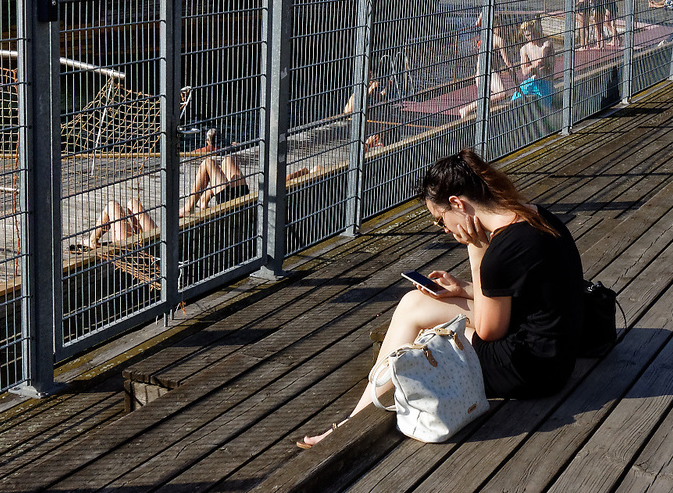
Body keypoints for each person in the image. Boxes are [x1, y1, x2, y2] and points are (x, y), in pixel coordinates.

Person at [298, 150, 583, 448]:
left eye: (440, 220)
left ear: (458, 203)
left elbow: (489, 332)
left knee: (418, 324)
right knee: (417, 308)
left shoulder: (498, 252)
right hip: (557, 354)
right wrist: (464, 289)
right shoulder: (534, 215)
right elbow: (527, 293)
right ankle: (362, 409)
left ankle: (350, 424)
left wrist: (476, 252)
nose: (445, 229)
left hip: (530, 370)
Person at [181, 153, 249, 215]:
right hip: (242, 198)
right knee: (228, 160)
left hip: (229, 205)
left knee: (207, 163)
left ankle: (189, 207)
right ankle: (203, 200)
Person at [81, 198, 158, 250]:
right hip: (156, 243)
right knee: (133, 203)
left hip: (130, 250)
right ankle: (139, 238)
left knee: (112, 206)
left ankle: (92, 241)